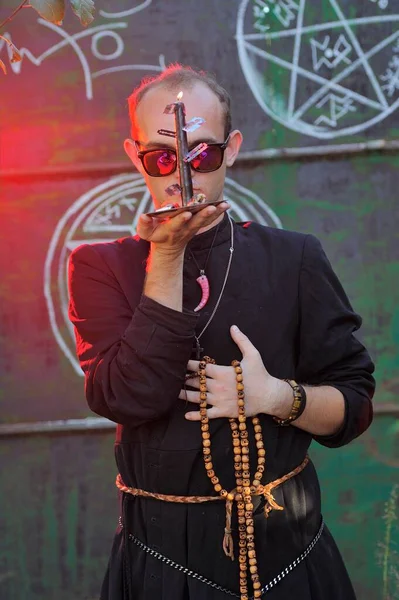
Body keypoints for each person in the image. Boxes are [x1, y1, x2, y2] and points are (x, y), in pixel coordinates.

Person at [68, 64, 375, 600]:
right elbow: (126, 395)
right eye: (160, 157)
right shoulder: (100, 266)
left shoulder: (293, 257)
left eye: (200, 154)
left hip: (291, 560)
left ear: (231, 149)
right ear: (133, 155)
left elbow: (354, 407)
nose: (181, 174)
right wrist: (165, 253)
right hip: (163, 564)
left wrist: (276, 396)